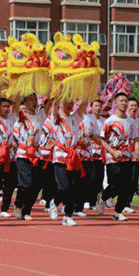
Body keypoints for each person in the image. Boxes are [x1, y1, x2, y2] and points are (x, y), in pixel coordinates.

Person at [98, 92, 136, 221]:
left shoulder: (131, 122)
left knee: (126, 186)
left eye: (126, 101)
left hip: (127, 157)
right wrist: (113, 152)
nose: (124, 103)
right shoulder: (110, 121)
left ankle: (118, 212)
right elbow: (102, 140)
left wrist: (136, 151)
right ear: (115, 103)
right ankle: (102, 198)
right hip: (112, 158)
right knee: (114, 185)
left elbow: (135, 139)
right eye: (121, 101)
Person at [49, 96, 87, 226]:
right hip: (60, 158)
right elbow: (54, 105)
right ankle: (54, 202)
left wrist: (88, 84)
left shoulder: (75, 118)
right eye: (66, 102)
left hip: (73, 157)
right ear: (60, 103)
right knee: (64, 187)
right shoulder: (56, 118)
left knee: (73, 188)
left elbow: (84, 103)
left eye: (71, 102)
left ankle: (67, 216)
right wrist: (59, 88)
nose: (69, 105)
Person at [11, 93, 46, 221]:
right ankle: (18, 203)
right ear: (24, 102)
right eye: (30, 100)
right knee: (25, 183)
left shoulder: (41, 116)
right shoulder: (19, 116)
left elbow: (52, 103)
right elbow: (15, 101)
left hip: (37, 154)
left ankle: (27, 210)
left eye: (35, 99)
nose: (34, 102)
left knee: (36, 185)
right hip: (22, 153)